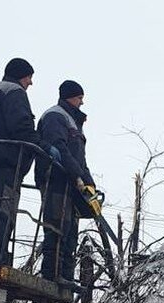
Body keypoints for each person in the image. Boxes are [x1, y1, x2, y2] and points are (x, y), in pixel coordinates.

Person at [0, 58, 58, 271]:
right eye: (29, 77)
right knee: (1, 213)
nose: (31, 83)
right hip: (4, 162)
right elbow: (21, 128)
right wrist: (44, 147)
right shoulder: (14, 92)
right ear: (22, 75)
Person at [33, 80, 95, 290]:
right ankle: (52, 275)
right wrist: (75, 174)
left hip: (71, 182)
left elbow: (81, 159)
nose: (82, 102)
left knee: (70, 230)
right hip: (55, 178)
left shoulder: (74, 122)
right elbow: (58, 147)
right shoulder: (54, 116)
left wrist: (89, 184)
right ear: (70, 97)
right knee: (57, 226)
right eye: (79, 98)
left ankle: (66, 276)